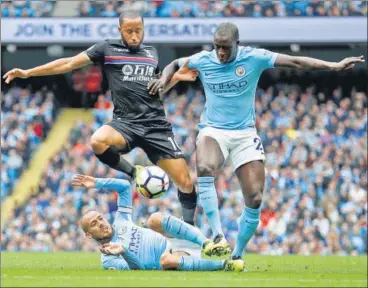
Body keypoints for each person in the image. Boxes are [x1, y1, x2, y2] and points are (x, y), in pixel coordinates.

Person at [148, 22, 365, 260]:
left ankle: (238, 254)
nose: (220, 52)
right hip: (213, 129)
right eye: (217, 47)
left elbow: (295, 61)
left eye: (225, 48)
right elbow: (174, 64)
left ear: (236, 45)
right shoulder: (204, 59)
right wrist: (163, 78)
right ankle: (218, 235)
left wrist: (332, 66)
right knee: (205, 166)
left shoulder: (254, 57)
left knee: (255, 198)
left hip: (244, 134)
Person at [3, 10, 198, 226]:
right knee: (97, 140)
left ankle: (190, 230)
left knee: (186, 182)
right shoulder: (107, 48)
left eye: (138, 31)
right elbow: (68, 64)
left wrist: (175, 78)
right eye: (129, 31)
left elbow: (155, 89)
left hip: (156, 126)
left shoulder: (151, 53)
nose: (134, 36)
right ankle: (134, 173)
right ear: (119, 30)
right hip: (125, 124)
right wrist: (28, 73)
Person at [72, 174, 245, 271]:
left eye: (100, 218)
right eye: (94, 224)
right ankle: (225, 265)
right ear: (88, 234)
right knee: (166, 260)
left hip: (175, 239)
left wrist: (97, 183)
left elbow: (125, 186)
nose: (101, 223)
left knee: (153, 219)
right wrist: (123, 251)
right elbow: (137, 269)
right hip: (172, 259)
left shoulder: (121, 220)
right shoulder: (108, 261)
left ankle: (207, 243)